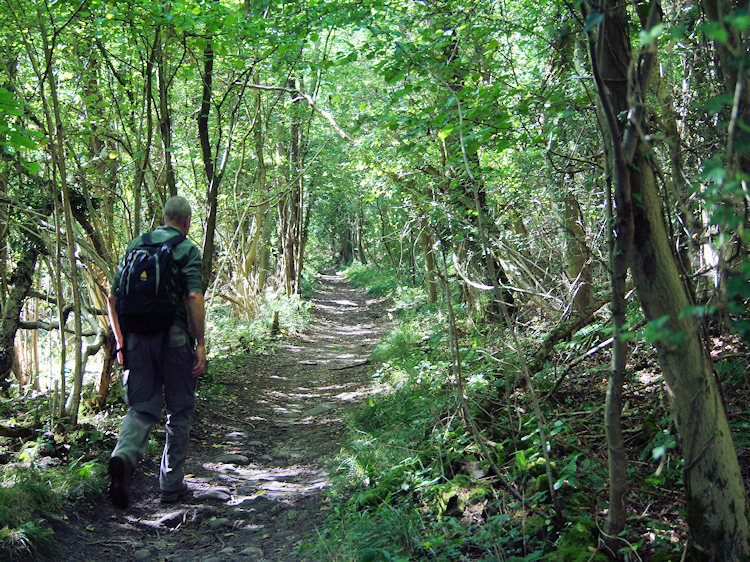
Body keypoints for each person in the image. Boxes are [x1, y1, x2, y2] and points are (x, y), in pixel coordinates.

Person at [106, 195, 206, 508]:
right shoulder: (187, 249)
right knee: (178, 410)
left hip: (136, 339)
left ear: (163, 217)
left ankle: (122, 458)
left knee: (141, 409)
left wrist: (121, 341)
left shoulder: (136, 245)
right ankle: (171, 485)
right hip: (174, 340)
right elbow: (193, 296)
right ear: (187, 221)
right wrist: (201, 342)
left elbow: (112, 299)